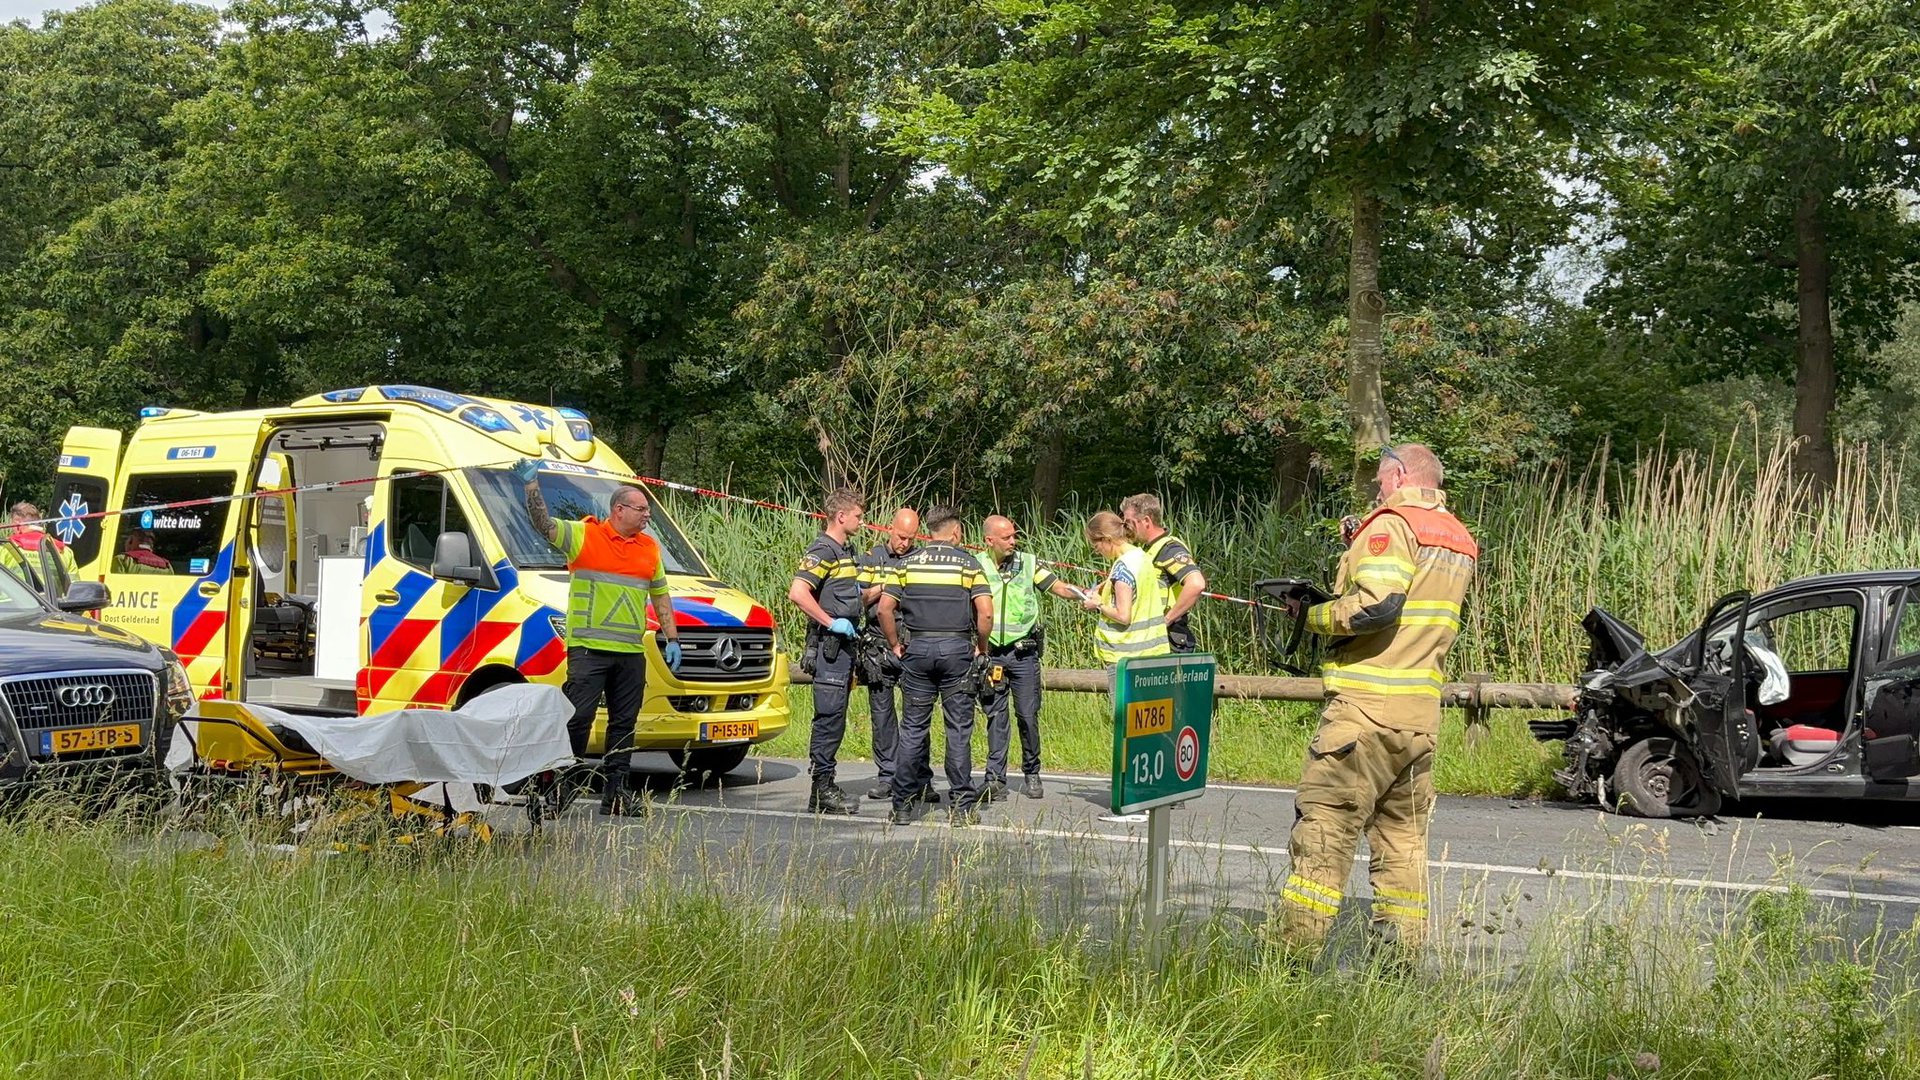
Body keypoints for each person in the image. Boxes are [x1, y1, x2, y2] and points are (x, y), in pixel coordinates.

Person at [1278, 444, 1477, 957]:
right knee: (1403, 845)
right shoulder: (1457, 536)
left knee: (1325, 832)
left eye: (1382, 482)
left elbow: (1379, 606)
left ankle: (1290, 961)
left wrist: (1313, 617)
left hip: (1365, 710)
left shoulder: (1390, 524)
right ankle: (1399, 962)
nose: (1377, 491)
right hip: (1418, 721)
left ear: (1401, 474)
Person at [515, 459, 681, 816]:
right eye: (641, 510)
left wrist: (672, 639)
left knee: (624, 724)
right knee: (577, 720)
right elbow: (542, 525)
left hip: (630, 652)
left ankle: (616, 794)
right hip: (589, 650)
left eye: (648, 511)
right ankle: (560, 790)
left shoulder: (649, 549)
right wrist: (531, 487)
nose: (646, 516)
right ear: (619, 510)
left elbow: (661, 596)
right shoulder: (583, 535)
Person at [875, 506, 992, 827]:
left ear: (929, 531)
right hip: (956, 650)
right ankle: (962, 807)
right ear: (956, 532)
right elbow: (985, 613)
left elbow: (885, 609)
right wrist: (981, 649)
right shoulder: (969, 564)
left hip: (918, 649)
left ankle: (901, 805)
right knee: (958, 730)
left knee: (912, 729)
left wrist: (895, 644)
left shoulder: (908, 564)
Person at [976, 514, 1085, 801]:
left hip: (1023, 653)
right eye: (1007, 537)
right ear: (990, 541)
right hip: (993, 655)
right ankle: (995, 778)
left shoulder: (1028, 562)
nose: (1013, 541)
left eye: (1014, 536)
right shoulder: (976, 565)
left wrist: (1084, 595)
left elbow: (1057, 586)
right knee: (995, 716)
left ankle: (1032, 772)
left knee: (1027, 715)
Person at [788, 488, 867, 815]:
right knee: (829, 717)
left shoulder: (844, 551)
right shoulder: (824, 550)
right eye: (859, 516)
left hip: (845, 648)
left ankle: (825, 785)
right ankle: (821, 789)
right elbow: (798, 592)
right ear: (841, 516)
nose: (863, 522)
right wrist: (831, 622)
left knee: (836, 718)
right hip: (830, 647)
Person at [857, 507, 920, 801]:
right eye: (900, 536)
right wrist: (888, 585)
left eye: (910, 538)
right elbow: (860, 597)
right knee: (882, 716)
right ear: (888, 529)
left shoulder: (920, 559)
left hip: (911, 643)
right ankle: (887, 775)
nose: (904, 543)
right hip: (878, 645)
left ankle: (918, 776)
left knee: (915, 715)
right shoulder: (871, 558)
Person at [1082, 510, 1171, 675]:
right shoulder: (1141, 556)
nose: (1097, 551)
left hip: (1126, 656)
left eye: (1096, 546)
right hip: (1152, 651)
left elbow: (1123, 616)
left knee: (1122, 702)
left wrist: (1098, 604)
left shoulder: (1122, 568)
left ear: (1107, 539)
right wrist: (1106, 585)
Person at [1120, 494, 1208, 653]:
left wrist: (1165, 620)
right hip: (1153, 639)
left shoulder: (1169, 549)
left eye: (1129, 523)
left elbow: (1196, 584)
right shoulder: (1148, 549)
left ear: (1146, 521)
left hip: (1169, 640)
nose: (1126, 528)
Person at [0, 502, 78, 598]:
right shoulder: (64, 551)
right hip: (52, 610)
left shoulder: (6, 549)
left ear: (17, 525)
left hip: (12, 610)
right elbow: (75, 591)